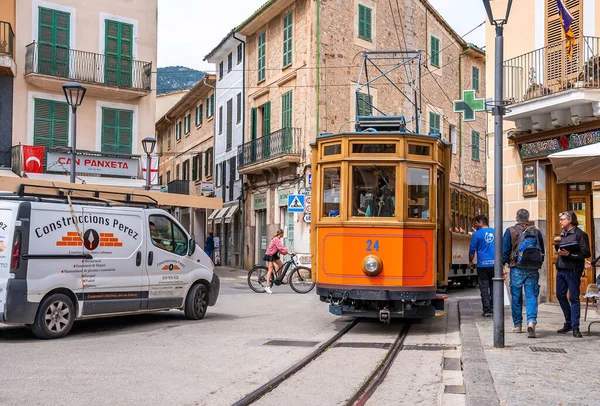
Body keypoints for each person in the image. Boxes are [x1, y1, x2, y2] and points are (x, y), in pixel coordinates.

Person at [502, 208, 545, 338]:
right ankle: (531, 322)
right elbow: (542, 250)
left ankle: (517, 325)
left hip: (516, 268)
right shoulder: (536, 232)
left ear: (516, 218)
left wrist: (502, 265)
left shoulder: (510, 231)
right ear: (528, 219)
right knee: (531, 296)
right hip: (533, 269)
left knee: (516, 297)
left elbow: (504, 251)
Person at [554, 211, 590, 338]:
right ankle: (568, 322)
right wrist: (557, 245)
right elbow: (560, 251)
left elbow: (586, 253)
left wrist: (570, 255)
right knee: (560, 295)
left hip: (573, 270)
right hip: (561, 269)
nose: (560, 222)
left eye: (562, 219)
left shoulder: (580, 234)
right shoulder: (563, 234)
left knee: (574, 298)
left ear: (569, 220)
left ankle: (575, 327)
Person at [469, 215, 495, 317]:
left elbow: (472, 250)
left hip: (482, 265)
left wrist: (470, 261)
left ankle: (487, 310)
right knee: (494, 286)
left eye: (476, 223)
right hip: (494, 265)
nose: (475, 225)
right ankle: (494, 307)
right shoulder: (495, 232)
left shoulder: (477, 234)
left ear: (480, 223)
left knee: (484, 288)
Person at [263, 229, 294, 294]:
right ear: (281, 234)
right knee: (270, 270)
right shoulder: (276, 239)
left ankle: (279, 279)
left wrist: (286, 253)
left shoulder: (277, 239)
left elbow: (280, 250)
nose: (283, 235)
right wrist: (288, 252)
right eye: (283, 233)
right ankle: (267, 286)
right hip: (270, 254)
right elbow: (281, 247)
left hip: (274, 254)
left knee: (281, 265)